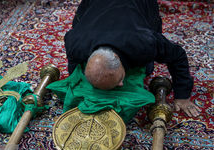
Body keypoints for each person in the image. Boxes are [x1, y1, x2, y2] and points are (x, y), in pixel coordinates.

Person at [64, 0, 201, 117]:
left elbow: (178, 55)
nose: (121, 84)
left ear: (118, 59)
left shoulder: (145, 43)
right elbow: (74, 67)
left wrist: (182, 96)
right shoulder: (76, 43)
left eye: (119, 80)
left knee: (147, 68)